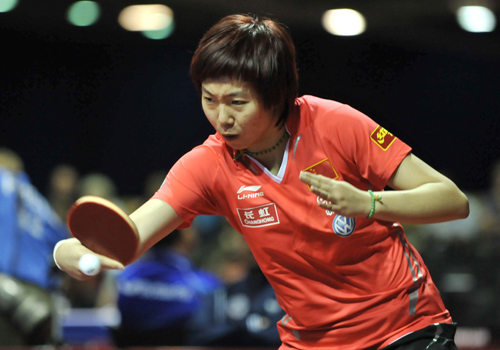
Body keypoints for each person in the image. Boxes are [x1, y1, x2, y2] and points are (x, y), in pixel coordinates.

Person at [54, 14, 470, 350]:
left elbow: (452, 200)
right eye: (209, 99)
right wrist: (66, 251)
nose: (222, 117)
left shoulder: (338, 124)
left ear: (276, 95)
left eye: (237, 102)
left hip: (402, 327)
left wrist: (370, 204)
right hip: (311, 341)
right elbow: (132, 237)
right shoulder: (206, 165)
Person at [0, 148, 69, 346]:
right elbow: (62, 246)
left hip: (7, 293)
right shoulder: (40, 203)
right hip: (42, 297)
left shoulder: (2, 182)